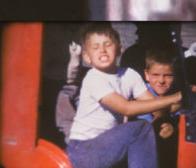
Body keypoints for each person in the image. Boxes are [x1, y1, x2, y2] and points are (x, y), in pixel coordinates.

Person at [67, 24, 181, 168]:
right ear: (87, 57)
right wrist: (176, 97)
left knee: (147, 131)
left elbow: (155, 107)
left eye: (108, 45)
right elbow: (127, 108)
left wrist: (164, 122)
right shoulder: (93, 78)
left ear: (119, 50)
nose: (102, 50)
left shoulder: (130, 75)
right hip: (84, 150)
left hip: (110, 145)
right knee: (140, 128)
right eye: (95, 47)